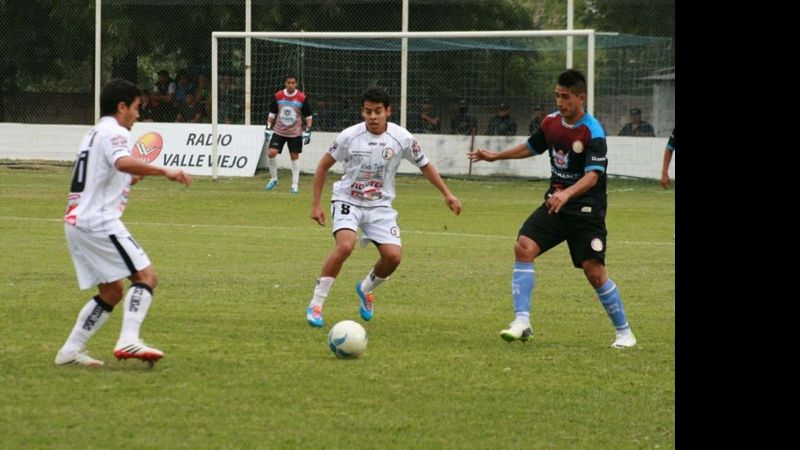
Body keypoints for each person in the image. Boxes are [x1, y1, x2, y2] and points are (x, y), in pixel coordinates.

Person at [467, 69, 636, 348]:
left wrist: (567, 193)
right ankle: (522, 322)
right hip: (556, 204)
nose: (560, 102)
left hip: (586, 209)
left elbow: (593, 175)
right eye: (557, 96)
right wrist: (495, 156)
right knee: (524, 245)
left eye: (566, 97)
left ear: (580, 98)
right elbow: (531, 147)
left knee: (594, 272)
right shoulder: (551, 123)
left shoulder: (593, 130)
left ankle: (625, 332)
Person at [56, 79, 192, 367]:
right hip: (99, 223)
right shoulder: (116, 132)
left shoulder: (93, 133)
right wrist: (164, 170)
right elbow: (122, 162)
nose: (138, 115)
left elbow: (107, 171)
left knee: (112, 291)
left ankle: (70, 350)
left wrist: (129, 177)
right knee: (146, 277)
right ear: (122, 107)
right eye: (136, 108)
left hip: (77, 222)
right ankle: (129, 339)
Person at [305, 86, 462, 328]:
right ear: (362, 112)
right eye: (368, 111)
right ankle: (316, 304)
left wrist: (447, 194)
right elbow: (323, 166)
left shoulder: (402, 138)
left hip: (380, 206)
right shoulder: (349, 136)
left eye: (378, 111)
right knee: (345, 246)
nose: (373, 117)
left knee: (393, 257)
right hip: (348, 200)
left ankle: (366, 288)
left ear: (388, 111)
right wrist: (316, 205)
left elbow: (425, 165)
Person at [262, 74, 314, 194]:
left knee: (294, 157)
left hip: (295, 133)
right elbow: (272, 113)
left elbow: (308, 116)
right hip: (279, 131)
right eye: (288, 83)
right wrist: (268, 128)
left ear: (296, 84)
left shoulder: (302, 97)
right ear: (285, 83)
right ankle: (274, 179)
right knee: (271, 153)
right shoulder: (278, 96)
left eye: (293, 83)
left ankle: (294, 185)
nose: (291, 85)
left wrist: (308, 131)